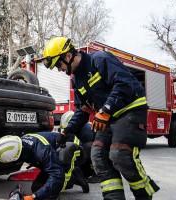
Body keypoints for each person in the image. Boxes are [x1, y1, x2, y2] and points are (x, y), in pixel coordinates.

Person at [42, 37, 159, 200]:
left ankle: (144, 194)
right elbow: (82, 111)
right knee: (98, 156)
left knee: (120, 155)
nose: (59, 70)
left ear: (68, 56)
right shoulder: (77, 80)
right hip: (108, 120)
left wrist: (105, 110)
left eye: (58, 65)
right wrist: (66, 131)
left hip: (130, 112)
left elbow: (124, 84)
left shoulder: (100, 60)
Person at [0, 132, 89, 200]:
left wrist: (34, 197)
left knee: (53, 187)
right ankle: (77, 177)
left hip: (77, 151)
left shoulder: (40, 149)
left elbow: (56, 175)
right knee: (37, 188)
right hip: (55, 156)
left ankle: (75, 176)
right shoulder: (21, 145)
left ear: (17, 155)